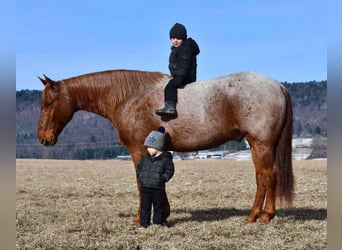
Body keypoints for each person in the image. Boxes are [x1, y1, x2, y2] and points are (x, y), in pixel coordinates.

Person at [155, 23, 200, 116]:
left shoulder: (186, 48)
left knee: (170, 86)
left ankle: (170, 107)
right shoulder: (178, 48)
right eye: (173, 38)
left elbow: (184, 64)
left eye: (178, 39)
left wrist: (179, 77)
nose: (175, 41)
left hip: (185, 76)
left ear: (183, 39)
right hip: (180, 75)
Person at [136, 126, 175, 228]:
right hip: (145, 187)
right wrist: (140, 176)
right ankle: (144, 224)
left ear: (158, 147)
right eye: (147, 147)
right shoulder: (145, 159)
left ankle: (158, 223)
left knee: (159, 207)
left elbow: (169, 170)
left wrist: (163, 178)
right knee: (145, 207)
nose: (148, 149)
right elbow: (139, 168)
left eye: (150, 147)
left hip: (158, 188)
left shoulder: (166, 159)